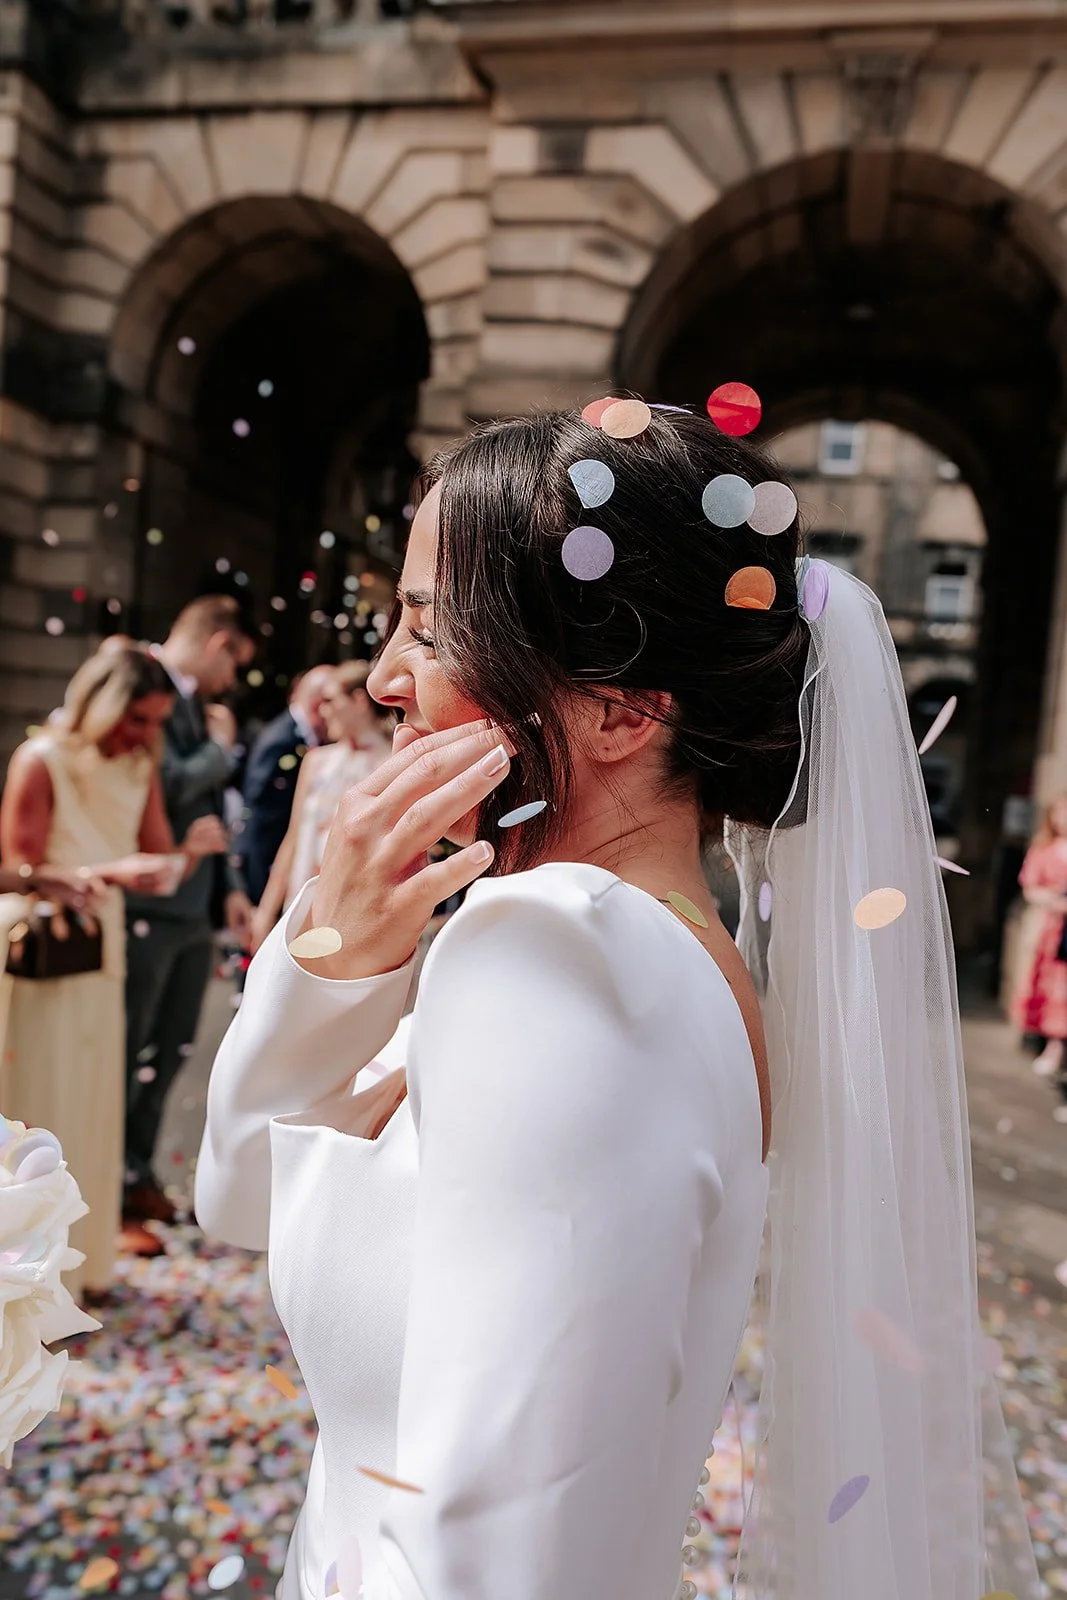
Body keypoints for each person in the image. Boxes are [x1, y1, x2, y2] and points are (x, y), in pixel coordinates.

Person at [195, 409, 1038, 1600]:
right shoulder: (636, 950)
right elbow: (241, 1192)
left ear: (618, 709)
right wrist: (329, 956)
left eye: (428, 629)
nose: (383, 678)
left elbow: (486, 1559)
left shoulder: (555, 956)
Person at [0, 644, 225, 1304]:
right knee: (41, 1106)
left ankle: (75, 1273)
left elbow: (156, 857)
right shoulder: (41, 759)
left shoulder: (142, 763)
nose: (147, 735)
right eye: (137, 720)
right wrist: (99, 875)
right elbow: (13, 868)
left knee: (94, 1109)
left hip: (104, 953)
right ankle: (20, 1280)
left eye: (156, 721)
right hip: (46, 958)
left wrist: (188, 854)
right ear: (101, 704)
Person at [123, 596, 256, 1236]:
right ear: (218, 643)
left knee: (171, 1048)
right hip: (149, 899)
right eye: (236, 664)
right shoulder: (139, 682)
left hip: (195, 904)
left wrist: (227, 885)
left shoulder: (192, 704)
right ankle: (114, 1180)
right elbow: (167, 780)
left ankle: (138, 1173)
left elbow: (208, 810)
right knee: (132, 1049)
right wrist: (221, 749)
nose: (233, 683)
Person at [249, 661, 393, 953]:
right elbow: (293, 838)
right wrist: (266, 912)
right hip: (301, 902)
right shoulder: (316, 762)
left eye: (330, 701)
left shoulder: (392, 761)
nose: (323, 710)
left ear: (358, 701)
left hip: (356, 912)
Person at [238, 665, 336, 907]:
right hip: (268, 859)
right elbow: (259, 809)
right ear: (317, 704)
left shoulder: (305, 738)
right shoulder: (280, 739)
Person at [1010, 794, 1067, 1081]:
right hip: (1053, 929)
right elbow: (1030, 888)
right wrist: (1054, 901)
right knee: (1054, 985)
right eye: (1060, 812)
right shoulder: (1043, 849)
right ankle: (1053, 1045)